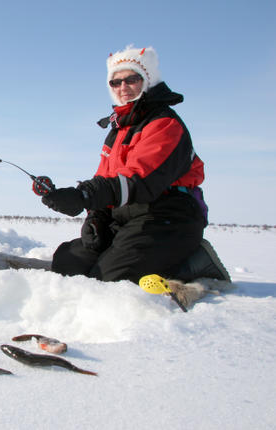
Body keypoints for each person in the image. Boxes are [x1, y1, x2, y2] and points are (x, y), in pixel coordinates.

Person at [41, 46, 230, 283]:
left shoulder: (164, 124)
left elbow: (139, 180)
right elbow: (106, 178)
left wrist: (85, 195)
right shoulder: (119, 130)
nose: (123, 87)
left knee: (111, 278)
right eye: (115, 82)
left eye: (132, 79)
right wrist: (96, 217)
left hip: (168, 215)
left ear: (148, 81)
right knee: (69, 263)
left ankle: (194, 262)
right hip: (128, 215)